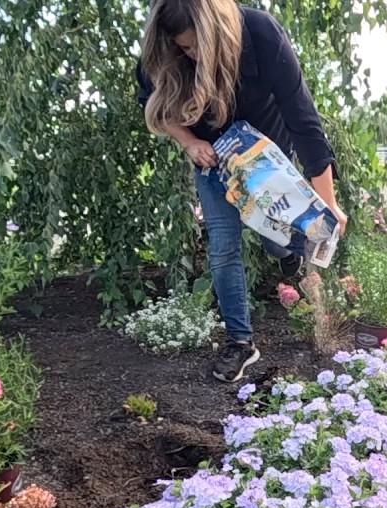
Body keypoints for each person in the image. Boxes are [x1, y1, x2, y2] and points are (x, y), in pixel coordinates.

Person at [137, 0, 348, 383]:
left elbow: (304, 123)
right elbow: (153, 104)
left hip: (269, 162)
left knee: (275, 238)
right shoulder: (164, 50)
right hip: (214, 158)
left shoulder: (260, 33)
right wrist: (187, 141)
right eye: (185, 49)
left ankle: (288, 255)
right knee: (223, 243)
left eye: (198, 44)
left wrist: (328, 205)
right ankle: (240, 342)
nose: (194, 55)